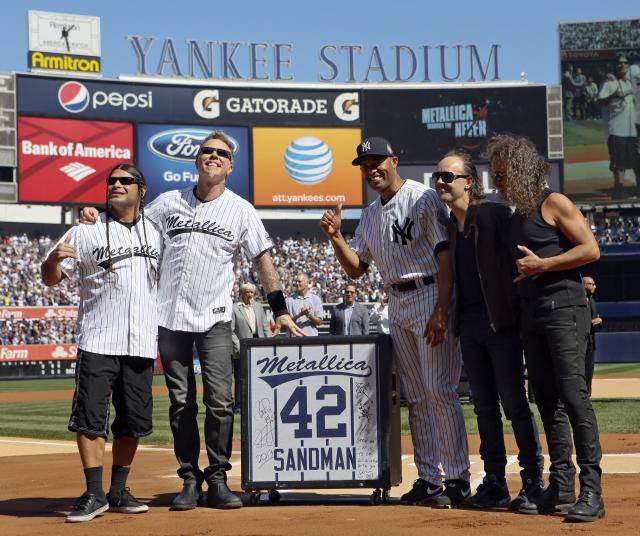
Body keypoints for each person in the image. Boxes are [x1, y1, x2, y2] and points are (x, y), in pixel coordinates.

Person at [80, 131, 304, 511]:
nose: (213, 156)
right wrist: (95, 214)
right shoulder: (168, 203)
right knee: (181, 402)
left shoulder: (241, 210)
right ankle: (189, 477)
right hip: (169, 318)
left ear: (231, 166)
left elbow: (262, 259)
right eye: (207, 151)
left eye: (222, 153)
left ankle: (216, 478)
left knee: (220, 400)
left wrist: (280, 307)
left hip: (215, 317)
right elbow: (127, 217)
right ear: (197, 160)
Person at [320, 137, 470, 507]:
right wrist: (337, 237)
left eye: (376, 161)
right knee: (417, 397)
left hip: (430, 291)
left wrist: (441, 308)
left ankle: (456, 480)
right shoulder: (370, 215)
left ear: (394, 160)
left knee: (439, 391)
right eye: (364, 164)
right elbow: (357, 270)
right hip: (396, 303)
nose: (371, 169)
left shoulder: (422, 197)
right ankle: (430, 479)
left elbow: (445, 255)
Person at [487, 134, 604, 522]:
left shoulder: (554, 203)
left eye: (502, 174)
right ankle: (562, 487)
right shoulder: (515, 215)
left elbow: (591, 249)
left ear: (521, 169)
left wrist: (544, 265)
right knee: (547, 402)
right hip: (530, 315)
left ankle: (592, 491)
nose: (497, 181)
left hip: (565, 310)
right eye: (494, 174)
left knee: (574, 398)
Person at [42, 164, 161, 522]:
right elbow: (49, 278)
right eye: (111, 181)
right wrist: (52, 260)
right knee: (90, 418)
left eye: (125, 181)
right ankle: (94, 493)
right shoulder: (85, 229)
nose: (116, 185)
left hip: (141, 340)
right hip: (98, 337)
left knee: (132, 421)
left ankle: (119, 490)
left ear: (142, 189)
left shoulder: (157, 232)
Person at [434, 149, 544, 510]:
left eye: (448, 176)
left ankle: (532, 481)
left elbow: (525, 258)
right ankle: (495, 481)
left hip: (502, 325)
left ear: (469, 182)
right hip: (470, 326)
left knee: (514, 403)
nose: (440, 181)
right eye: (437, 176)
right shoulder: (450, 224)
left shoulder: (496, 214)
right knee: (482, 406)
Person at [598, 54, 639, 197]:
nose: (622, 65)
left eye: (625, 63)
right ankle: (619, 189)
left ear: (628, 65)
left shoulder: (630, 84)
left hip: (631, 131)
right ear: (615, 67)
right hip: (616, 130)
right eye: (619, 64)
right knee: (618, 163)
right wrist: (613, 95)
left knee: (635, 162)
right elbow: (600, 102)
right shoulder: (609, 84)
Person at [231, 282, 273, 413]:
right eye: (247, 292)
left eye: (251, 292)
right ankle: (238, 405)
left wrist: (271, 344)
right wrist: (239, 347)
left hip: (257, 345)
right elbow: (230, 331)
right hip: (241, 348)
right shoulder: (234, 308)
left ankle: (258, 403)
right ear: (241, 294)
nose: (250, 295)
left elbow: (265, 327)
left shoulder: (258, 306)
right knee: (240, 377)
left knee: (259, 376)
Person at [583, 276, 602, 395]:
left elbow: (595, 321)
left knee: (589, 370)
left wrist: (599, 321)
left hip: (590, 342)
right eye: (591, 284)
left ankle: (587, 395)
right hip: (580, 342)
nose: (594, 286)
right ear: (584, 285)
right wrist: (591, 322)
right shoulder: (577, 301)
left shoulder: (593, 301)